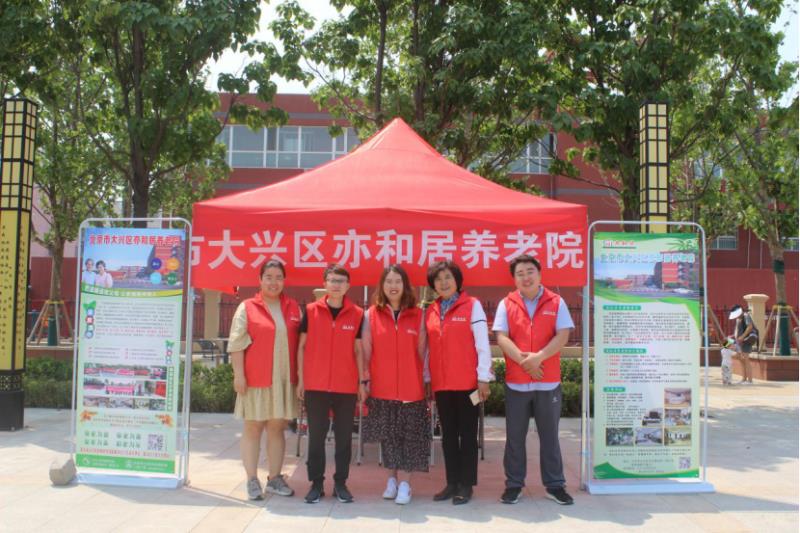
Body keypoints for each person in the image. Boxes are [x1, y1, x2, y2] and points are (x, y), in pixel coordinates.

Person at [492, 254, 574, 506]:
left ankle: (555, 485)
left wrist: (539, 358)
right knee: (514, 437)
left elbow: (563, 335)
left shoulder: (556, 301)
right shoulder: (506, 303)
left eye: (530, 272)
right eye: (520, 273)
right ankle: (514, 485)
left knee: (549, 437)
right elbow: (501, 337)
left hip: (547, 381)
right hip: (517, 382)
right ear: (514, 279)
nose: (526, 277)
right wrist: (524, 361)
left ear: (539, 275)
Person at [228, 260, 301, 500]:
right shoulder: (247, 307)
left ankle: (275, 478)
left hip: (283, 380)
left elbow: (302, 345)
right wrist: (239, 375)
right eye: (268, 277)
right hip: (255, 380)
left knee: (277, 428)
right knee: (253, 427)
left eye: (278, 277)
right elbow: (236, 344)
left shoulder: (293, 307)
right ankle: (251, 479)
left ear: (284, 280)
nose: (273, 282)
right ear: (260, 280)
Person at [297, 264, 367, 504]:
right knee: (316, 437)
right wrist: (301, 379)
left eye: (341, 281)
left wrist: (361, 382)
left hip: (345, 386)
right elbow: (301, 346)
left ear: (348, 286)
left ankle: (340, 483)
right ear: (324, 283)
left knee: (344, 438)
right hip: (315, 385)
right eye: (332, 280)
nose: (336, 285)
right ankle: (316, 483)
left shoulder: (357, 314)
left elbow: (358, 350)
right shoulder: (311, 311)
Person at [361, 265, 430, 505]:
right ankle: (391, 480)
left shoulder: (418, 315)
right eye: (388, 281)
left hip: (412, 389)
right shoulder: (371, 315)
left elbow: (423, 352)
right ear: (382, 286)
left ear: (405, 285)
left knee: (409, 438)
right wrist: (365, 379)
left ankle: (405, 484)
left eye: (398, 281)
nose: (393, 286)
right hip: (382, 388)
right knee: (388, 437)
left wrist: (426, 381)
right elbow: (366, 351)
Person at [425, 260, 492, 505]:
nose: (443, 283)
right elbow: (428, 349)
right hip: (442, 385)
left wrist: (483, 378)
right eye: (438, 279)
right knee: (448, 436)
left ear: (457, 281)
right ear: (433, 285)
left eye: (448, 277)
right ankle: (452, 482)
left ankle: (466, 484)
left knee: (468, 435)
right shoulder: (431, 310)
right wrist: (427, 378)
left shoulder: (472, 306)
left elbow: (482, 344)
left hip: (468, 385)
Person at [729, 304, 756, 384]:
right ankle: (744, 379)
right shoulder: (738, 319)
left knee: (746, 359)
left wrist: (742, 336)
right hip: (739, 342)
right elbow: (737, 331)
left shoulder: (746, 315)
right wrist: (733, 337)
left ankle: (750, 380)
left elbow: (750, 327)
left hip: (746, 340)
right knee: (741, 359)